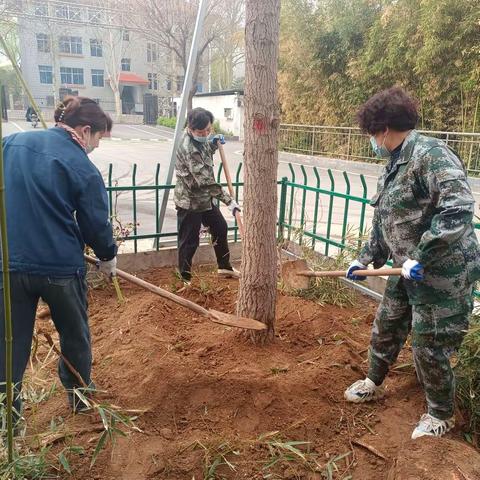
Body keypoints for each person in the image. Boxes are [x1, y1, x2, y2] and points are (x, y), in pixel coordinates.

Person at [344, 87, 480, 439]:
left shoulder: (431, 155)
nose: (373, 140)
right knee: (387, 322)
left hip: (442, 271)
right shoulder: (393, 163)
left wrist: (421, 255)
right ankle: (373, 380)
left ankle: (441, 414)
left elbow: (458, 209)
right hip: (406, 269)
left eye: (373, 133)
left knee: (428, 344)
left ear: (385, 128)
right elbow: (386, 221)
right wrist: (363, 259)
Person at [0, 96, 117, 420]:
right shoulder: (81, 165)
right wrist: (108, 256)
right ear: (85, 130)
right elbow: (95, 223)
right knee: (75, 335)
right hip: (60, 268)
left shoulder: (10, 144)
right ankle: (79, 398)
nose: (95, 146)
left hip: (9, 263)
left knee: (9, 340)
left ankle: (7, 414)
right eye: (97, 139)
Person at [174, 107, 240, 284]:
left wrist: (212, 145)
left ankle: (224, 265)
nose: (205, 134)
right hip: (189, 201)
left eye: (208, 130)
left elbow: (203, 150)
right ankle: (184, 277)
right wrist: (229, 201)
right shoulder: (188, 147)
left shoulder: (199, 139)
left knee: (220, 227)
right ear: (190, 128)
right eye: (201, 132)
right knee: (189, 241)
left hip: (204, 198)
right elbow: (205, 181)